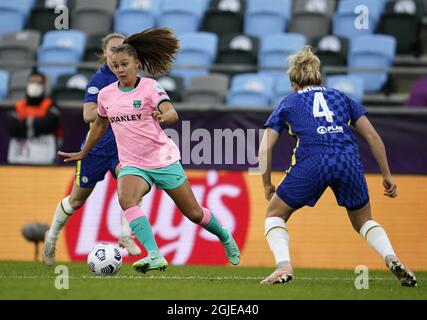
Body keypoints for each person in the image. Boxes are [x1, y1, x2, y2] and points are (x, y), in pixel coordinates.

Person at [58, 27, 240, 273]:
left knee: (194, 213)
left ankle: (225, 236)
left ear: (136, 64)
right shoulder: (106, 95)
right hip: (133, 163)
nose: (120, 70)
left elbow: (172, 112)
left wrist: (163, 116)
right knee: (126, 199)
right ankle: (154, 255)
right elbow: (99, 124)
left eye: (124, 64)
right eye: (115, 65)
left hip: (162, 159)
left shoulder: (150, 87)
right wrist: (84, 152)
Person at [258, 46, 417, 286]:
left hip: (314, 161)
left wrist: (267, 184)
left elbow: (264, 148)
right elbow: (373, 137)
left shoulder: (289, 102)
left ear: (294, 84)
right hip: (348, 161)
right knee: (364, 221)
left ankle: (283, 267)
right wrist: (387, 175)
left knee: (274, 214)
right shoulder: (342, 97)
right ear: (319, 77)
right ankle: (391, 257)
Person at [43, 33, 142, 266]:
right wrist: (113, 106)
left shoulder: (132, 78)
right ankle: (52, 236)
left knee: (136, 182)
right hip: (96, 149)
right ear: (104, 53)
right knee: (76, 201)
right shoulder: (100, 80)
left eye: (121, 49)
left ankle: (126, 234)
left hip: (122, 148)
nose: (117, 53)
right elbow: (88, 114)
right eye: (112, 49)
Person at [7, 70, 60, 139]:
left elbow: (50, 125)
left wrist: (25, 123)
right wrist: (35, 126)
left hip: (45, 147)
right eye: (32, 82)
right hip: (21, 147)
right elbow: (12, 128)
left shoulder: (50, 104)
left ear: (44, 86)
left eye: (39, 83)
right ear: (27, 84)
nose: (35, 85)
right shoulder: (18, 105)